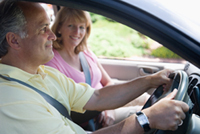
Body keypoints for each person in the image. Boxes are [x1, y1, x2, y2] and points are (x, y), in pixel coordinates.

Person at [0, 0, 189, 134]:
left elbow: (97, 97)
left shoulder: (43, 73)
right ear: (14, 40)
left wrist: (150, 80)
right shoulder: (9, 100)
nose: (52, 35)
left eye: (49, 26)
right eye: (43, 29)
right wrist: (146, 119)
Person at [45, 7, 146, 128]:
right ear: (59, 28)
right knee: (143, 113)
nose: (77, 32)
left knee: (145, 98)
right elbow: (66, 108)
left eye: (81, 27)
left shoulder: (85, 52)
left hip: (107, 106)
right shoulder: (52, 61)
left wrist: (109, 109)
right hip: (91, 120)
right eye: (71, 25)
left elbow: (108, 82)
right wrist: (104, 106)